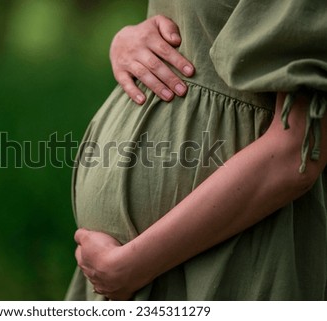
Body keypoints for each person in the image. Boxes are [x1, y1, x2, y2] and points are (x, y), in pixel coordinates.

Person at [66, 0, 327, 300]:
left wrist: (133, 265)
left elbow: (297, 152)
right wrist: (126, 39)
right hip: (127, 270)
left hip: (231, 255)